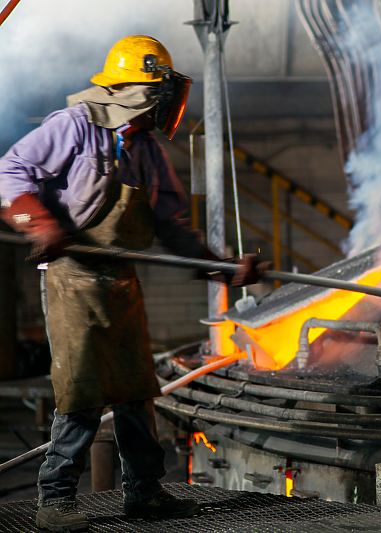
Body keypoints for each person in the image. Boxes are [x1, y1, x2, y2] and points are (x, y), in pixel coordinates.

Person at [0, 35, 257, 533]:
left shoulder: (145, 149)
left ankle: (145, 493)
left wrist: (222, 267)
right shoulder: (75, 127)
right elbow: (10, 171)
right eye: (161, 91)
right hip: (74, 280)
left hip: (121, 283)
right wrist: (39, 223)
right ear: (137, 89)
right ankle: (54, 500)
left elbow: (173, 225)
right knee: (82, 390)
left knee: (138, 390)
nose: (168, 103)